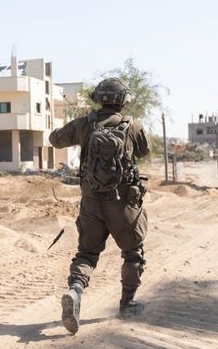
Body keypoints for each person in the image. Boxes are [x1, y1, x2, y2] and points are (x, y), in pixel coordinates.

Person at [48, 77, 150, 334]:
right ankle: (127, 304)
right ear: (124, 101)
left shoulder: (85, 124)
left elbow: (55, 140)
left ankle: (75, 291)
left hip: (91, 204)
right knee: (133, 252)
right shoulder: (132, 126)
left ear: (97, 98)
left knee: (87, 254)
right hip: (123, 204)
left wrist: (83, 125)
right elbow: (144, 151)